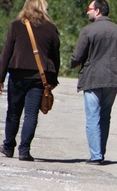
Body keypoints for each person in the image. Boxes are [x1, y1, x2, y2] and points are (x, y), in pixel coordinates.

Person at [70, 0, 117, 165]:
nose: (87, 12)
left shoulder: (88, 31)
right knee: (105, 117)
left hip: (93, 79)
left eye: (89, 9)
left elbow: (78, 56)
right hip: (113, 80)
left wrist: (71, 63)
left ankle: (96, 155)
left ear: (97, 11)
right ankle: (100, 152)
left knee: (93, 117)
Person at [0, 0, 60, 161]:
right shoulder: (50, 28)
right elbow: (55, 57)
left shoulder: (16, 26)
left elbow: (6, 53)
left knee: (13, 112)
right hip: (39, 78)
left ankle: (8, 146)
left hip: (18, 76)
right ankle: (24, 150)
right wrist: (53, 79)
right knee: (31, 114)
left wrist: (0, 78)